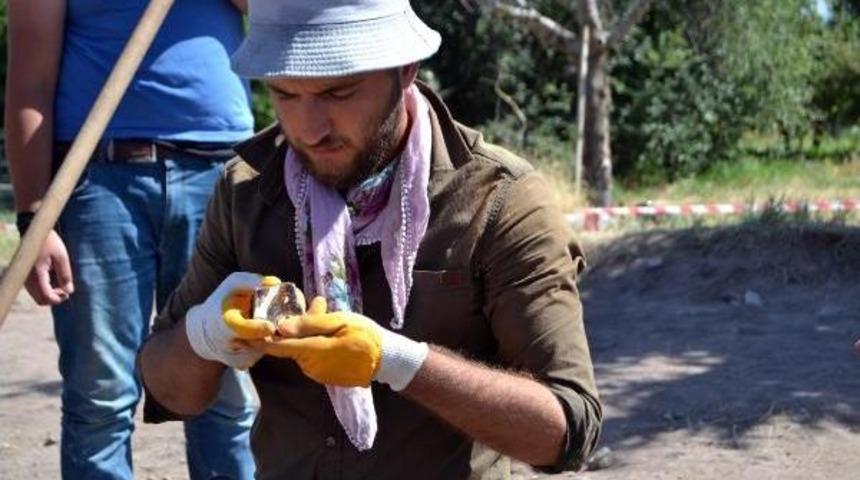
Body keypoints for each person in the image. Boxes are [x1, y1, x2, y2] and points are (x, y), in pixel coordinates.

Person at [139, 0, 603, 478]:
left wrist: (398, 362)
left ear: (405, 70)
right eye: (284, 95)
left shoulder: (499, 200)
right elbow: (168, 392)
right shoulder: (247, 191)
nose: (309, 129)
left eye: (338, 93)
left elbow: (565, 431)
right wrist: (206, 332)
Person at [4, 0, 258, 478]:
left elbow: (278, 13)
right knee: (100, 395)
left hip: (221, 174)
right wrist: (33, 215)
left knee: (226, 384)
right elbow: (29, 81)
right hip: (98, 179)